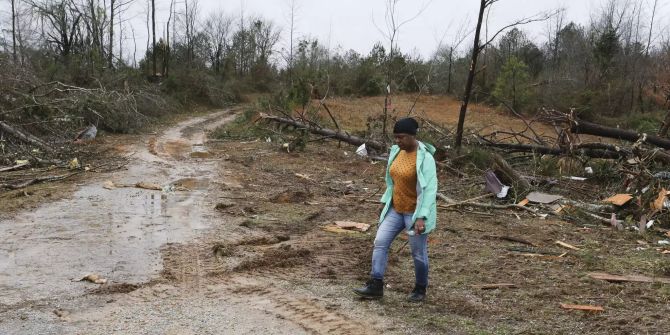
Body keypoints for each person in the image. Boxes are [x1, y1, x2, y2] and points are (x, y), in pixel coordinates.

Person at [354, 117, 438, 302]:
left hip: (415, 213)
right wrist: (385, 202)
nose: (397, 141)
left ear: (412, 136)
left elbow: (430, 190)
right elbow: (392, 183)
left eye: (401, 137)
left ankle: (420, 289)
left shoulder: (426, 158)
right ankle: (376, 284)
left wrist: (422, 217)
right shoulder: (396, 152)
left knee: (418, 252)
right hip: (396, 209)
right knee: (380, 242)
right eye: (396, 137)